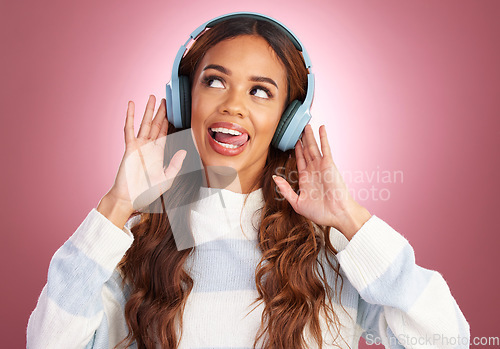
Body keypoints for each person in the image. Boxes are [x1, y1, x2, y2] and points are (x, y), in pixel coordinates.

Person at [27, 12, 470, 349]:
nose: (234, 106)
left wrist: (351, 220)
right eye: (215, 81)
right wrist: (118, 203)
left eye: (260, 91)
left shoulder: (333, 250)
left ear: (287, 122)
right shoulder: (130, 240)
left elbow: (446, 338)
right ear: (186, 100)